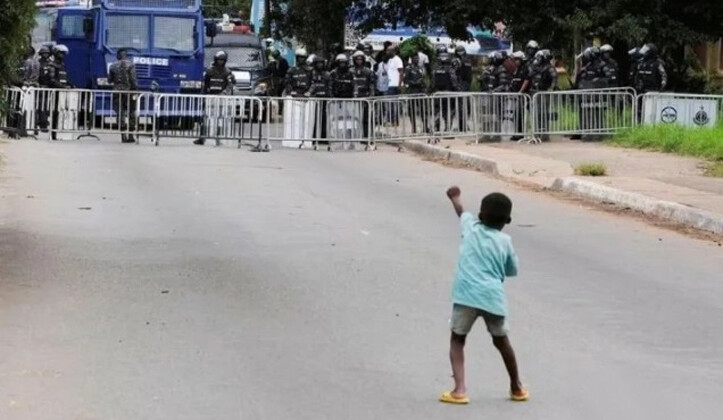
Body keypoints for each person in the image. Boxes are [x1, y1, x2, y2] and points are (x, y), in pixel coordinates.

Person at [439, 186, 527, 405]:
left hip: (466, 296)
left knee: (457, 339)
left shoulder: (471, 227)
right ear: (507, 220)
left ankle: (459, 390)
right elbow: (511, 270)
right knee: (502, 341)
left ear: (480, 214)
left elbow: (461, 211)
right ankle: (516, 387)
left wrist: (455, 198)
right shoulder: (505, 241)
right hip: (492, 298)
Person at [194, 50, 235, 145]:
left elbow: (230, 85)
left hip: (221, 98)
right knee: (205, 118)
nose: (220, 62)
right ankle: (202, 138)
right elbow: (205, 84)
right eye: (219, 60)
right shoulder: (209, 70)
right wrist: (204, 95)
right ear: (215, 60)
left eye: (222, 60)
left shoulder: (227, 72)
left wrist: (224, 93)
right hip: (209, 97)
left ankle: (218, 138)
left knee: (220, 118)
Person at [108, 48, 138, 143]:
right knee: (131, 113)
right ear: (126, 55)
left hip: (117, 92)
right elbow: (133, 80)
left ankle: (123, 136)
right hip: (129, 92)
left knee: (120, 113)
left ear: (118, 55)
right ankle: (131, 135)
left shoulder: (112, 66)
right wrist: (136, 89)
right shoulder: (131, 65)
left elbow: (109, 80)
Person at [527, 49, 557, 141]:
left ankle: (544, 134)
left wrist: (551, 88)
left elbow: (554, 78)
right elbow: (530, 76)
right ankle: (536, 133)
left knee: (543, 113)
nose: (538, 59)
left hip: (544, 93)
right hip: (535, 92)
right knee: (536, 114)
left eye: (539, 57)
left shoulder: (549, 67)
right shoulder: (536, 67)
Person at [349, 51, 375, 143]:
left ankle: (367, 137)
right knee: (353, 118)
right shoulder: (350, 71)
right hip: (354, 97)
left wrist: (371, 96)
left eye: (360, 59)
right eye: (357, 59)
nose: (359, 61)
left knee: (367, 118)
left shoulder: (368, 71)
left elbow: (372, 85)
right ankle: (354, 137)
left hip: (365, 97)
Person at [432, 50, 460, 133]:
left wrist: (429, 91)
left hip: (437, 94)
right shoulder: (450, 69)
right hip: (449, 94)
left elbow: (432, 82)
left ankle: (436, 129)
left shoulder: (435, 69)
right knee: (449, 112)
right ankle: (447, 129)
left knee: (437, 112)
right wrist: (458, 90)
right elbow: (454, 82)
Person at [50, 44, 72, 140]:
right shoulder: (52, 65)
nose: (62, 55)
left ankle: (56, 133)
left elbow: (64, 78)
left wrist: (70, 85)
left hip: (62, 92)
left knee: (60, 112)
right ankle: (53, 134)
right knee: (54, 113)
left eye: (63, 54)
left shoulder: (62, 65)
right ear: (55, 53)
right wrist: (62, 86)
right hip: (55, 92)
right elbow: (52, 80)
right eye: (60, 53)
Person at [308, 55, 331, 144]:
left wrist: (330, 96)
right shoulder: (311, 73)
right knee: (314, 118)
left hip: (325, 98)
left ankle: (324, 137)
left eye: (321, 63)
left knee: (324, 118)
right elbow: (310, 85)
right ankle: (314, 136)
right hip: (314, 99)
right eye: (317, 63)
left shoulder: (327, 74)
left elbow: (329, 86)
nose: (319, 65)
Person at [404, 53, 428, 133]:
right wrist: (414, 82)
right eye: (415, 58)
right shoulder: (408, 68)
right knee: (412, 110)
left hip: (421, 91)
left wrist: (423, 83)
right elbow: (406, 80)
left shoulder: (420, 68)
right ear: (412, 59)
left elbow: (424, 78)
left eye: (417, 58)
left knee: (423, 110)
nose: (417, 60)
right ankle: (413, 127)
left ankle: (425, 126)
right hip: (412, 91)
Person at [36, 45, 55, 132]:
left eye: (47, 53)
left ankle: (45, 123)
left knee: (47, 107)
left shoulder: (50, 63)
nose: (46, 55)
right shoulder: (38, 63)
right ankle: (41, 124)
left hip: (48, 88)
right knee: (40, 107)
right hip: (41, 88)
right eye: (44, 53)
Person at [509, 51, 527, 140]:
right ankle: (517, 132)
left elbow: (526, 81)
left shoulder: (525, 69)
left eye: (517, 59)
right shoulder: (517, 69)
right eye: (515, 59)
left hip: (523, 95)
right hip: (516, 95)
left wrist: (520, 91)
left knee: (520, 114)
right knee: (516, 115)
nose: (515, 61)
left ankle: (521, 134)